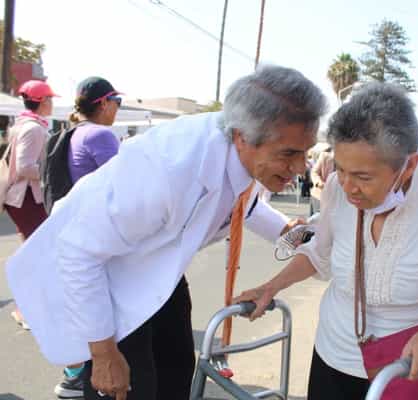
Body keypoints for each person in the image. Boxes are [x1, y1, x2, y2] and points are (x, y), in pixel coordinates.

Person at [5, 65, 327, 400]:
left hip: (161, 275)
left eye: (305, 152)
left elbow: (244, 206)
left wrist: (303, 239)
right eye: (289, 153)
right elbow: (79, 252)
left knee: (175, 379)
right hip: (106, 282)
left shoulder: (241, 153)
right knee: (129, 388)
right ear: (242, 137)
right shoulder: (168, 170)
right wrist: (102, 353)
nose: (300, 167)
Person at [235, 83, 418, 400]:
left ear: (409, 165)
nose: (348, 187)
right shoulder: (336, 188)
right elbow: (319, 253)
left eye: (363, 177)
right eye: (341, 170)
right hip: (333, 358)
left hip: (407, 369)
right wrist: (271, 286)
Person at [54, 77, 123, 399]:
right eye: (117, 102)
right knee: (104, 312)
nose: (118, 110)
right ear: (104, 103)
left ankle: (72, 374)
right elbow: (126, 184)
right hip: (98, 237)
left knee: (78, 306)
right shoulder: (99, 134)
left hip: (69, 233)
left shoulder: (70, 134)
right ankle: (85, 377)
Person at [4, 80, 58, 330]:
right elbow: (25, 166)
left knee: (34, 253)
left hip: (24, 198)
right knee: (36, 254)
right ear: (42, 101)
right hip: (25, 198)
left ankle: (29, 307)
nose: (52, 103)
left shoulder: (24, 124)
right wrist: (50, 172)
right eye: (50, 99)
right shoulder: (33, 128)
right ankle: (25, 309)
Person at [309, 147, 334, 214]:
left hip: (339, 198)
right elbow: (314, 172)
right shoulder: (325, 156)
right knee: (319, 220)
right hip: (320, 195)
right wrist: (318, 183)